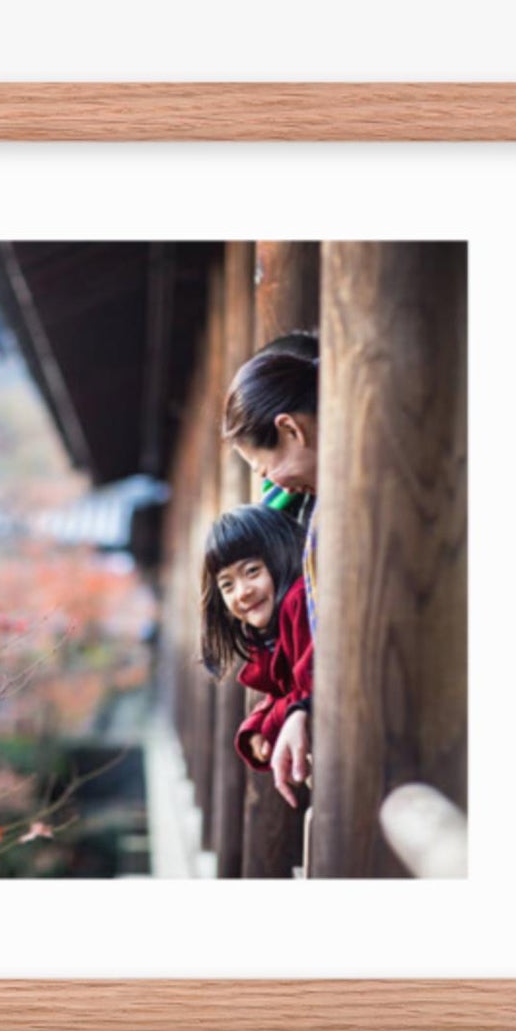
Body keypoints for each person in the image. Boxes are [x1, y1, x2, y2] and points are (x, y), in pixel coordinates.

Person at [221, 339, 319, 805]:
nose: (271, 486)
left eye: (266, 469)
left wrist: (302, 708)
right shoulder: (308, 506)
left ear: (291, 429)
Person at [199, 505, 313, 776]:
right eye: (227, 585)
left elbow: (311, 689)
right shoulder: (263, 635)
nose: (242, 592)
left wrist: (268, 724)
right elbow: (283, 693)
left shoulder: (298, 602)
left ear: (281, 557)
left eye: (252, 571)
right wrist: (255, 726)